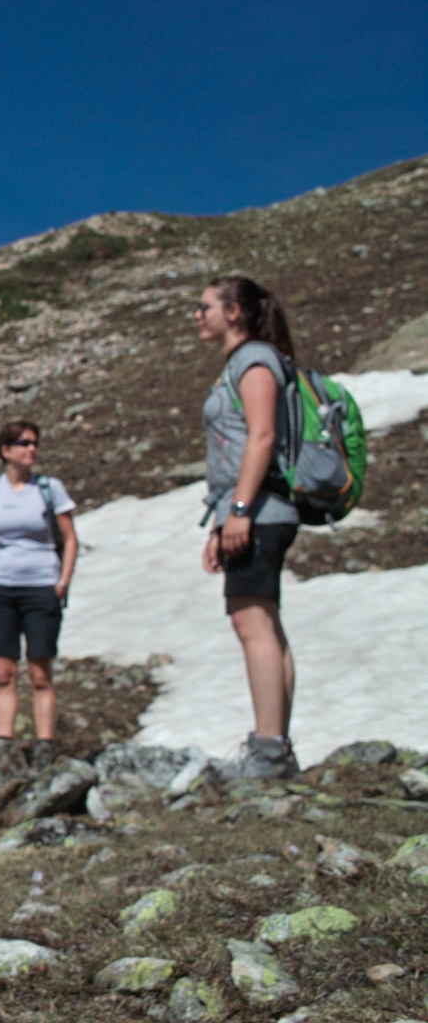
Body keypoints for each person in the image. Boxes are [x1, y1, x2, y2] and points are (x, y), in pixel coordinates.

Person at [196, 274, 301, 779]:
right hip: (252, 510)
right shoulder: (244, 363)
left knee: (253, 624)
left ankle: (268, 751)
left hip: (259, 511)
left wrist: (238, 511)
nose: (198, 316)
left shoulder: (254, 361)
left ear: (233, 311)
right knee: (265, 625)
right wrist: (221, 523)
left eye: (204, 307)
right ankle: (274, 747)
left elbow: (261, 438)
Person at [0, 420, 79, 772]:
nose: (31, 449)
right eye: (23, 443)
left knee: (40, 672)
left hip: (41, 587)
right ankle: (5, 744)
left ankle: (45, 745)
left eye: (35, 443)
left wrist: (61, 582)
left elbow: (71, 538)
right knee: (4, 672)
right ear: (5, 450)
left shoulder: (49, 489)